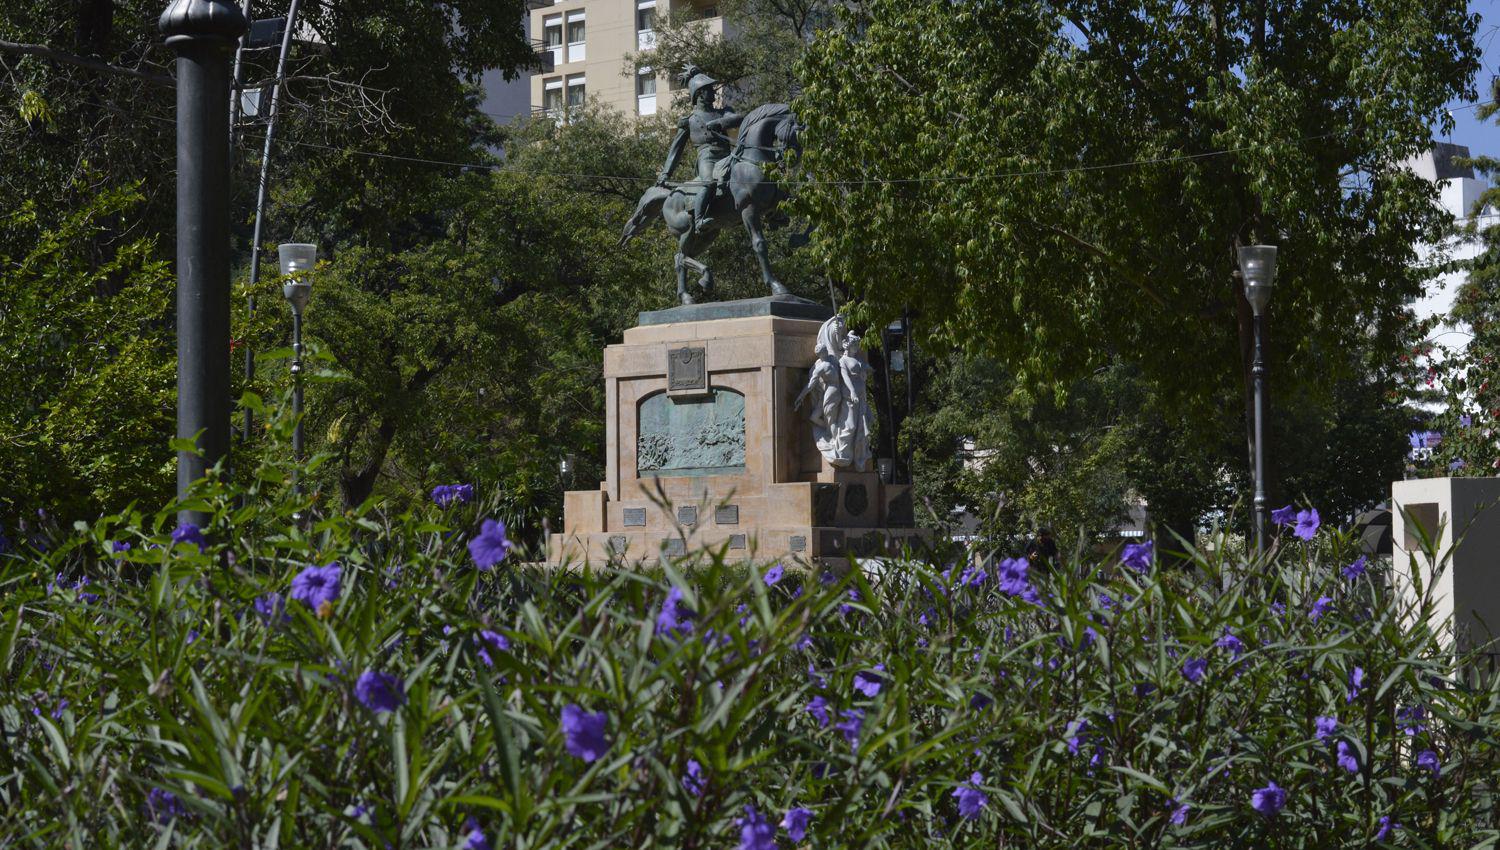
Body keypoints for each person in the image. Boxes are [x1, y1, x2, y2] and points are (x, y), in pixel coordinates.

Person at [655, 65, 743, 234]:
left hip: (728, 156)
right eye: (710, 89)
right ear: (700, 93)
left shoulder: (722, 113)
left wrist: (721, 123)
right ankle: (699, 219)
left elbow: (739, 118)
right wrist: (666, 174)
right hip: (707, 157)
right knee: (709, 182)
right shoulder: (689, 121)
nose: (714, 93)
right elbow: (676, 149)